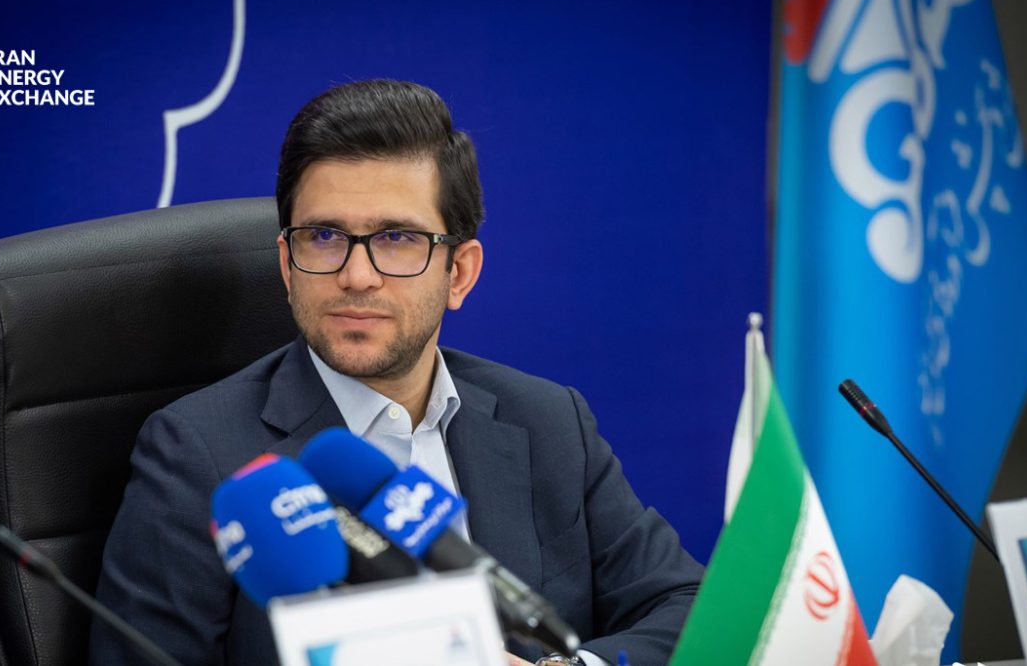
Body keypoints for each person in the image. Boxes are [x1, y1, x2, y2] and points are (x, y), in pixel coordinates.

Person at [91, 79, 703, 666]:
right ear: (286, 264)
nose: (356, 276)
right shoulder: (199, 455)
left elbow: (689, 606)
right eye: (324, 235)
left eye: (397, 238)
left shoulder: (548, 423)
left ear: (459, 273)